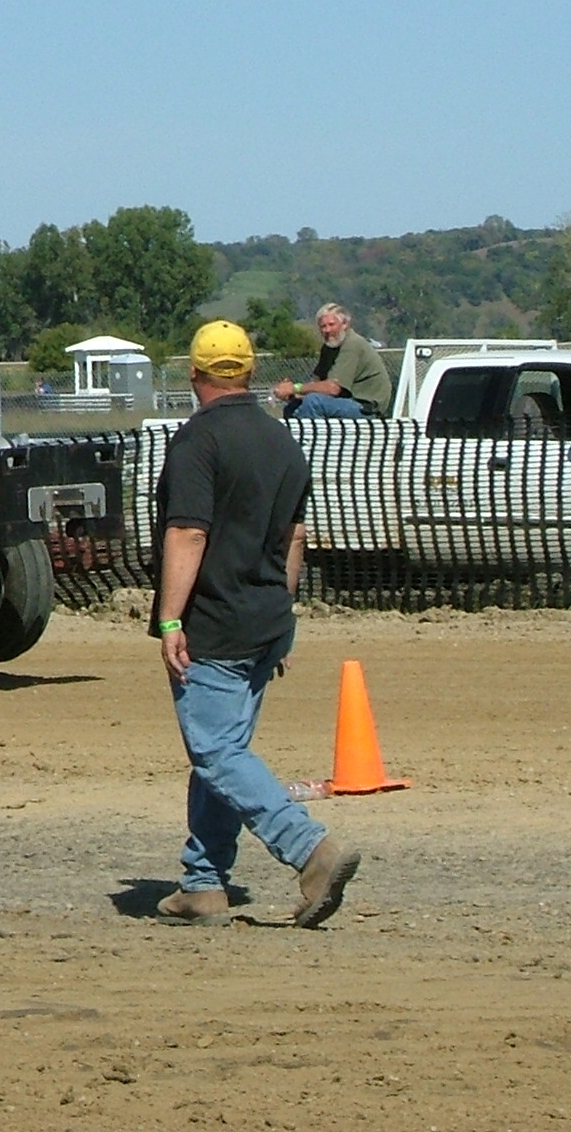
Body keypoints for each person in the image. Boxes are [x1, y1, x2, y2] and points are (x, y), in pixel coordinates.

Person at [152, 321, 361, 928]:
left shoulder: (197, 443)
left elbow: (189, 531)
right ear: (248, 372)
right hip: (267, 618)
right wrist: (282, 613)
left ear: (195, 375)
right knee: (226, 750)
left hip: (213, 623)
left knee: (215, 750)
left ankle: (310, 850)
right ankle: (204, 881)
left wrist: (169, 619)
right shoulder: (283, 441)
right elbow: (296, 536)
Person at [272, 303, 391, 418]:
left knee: (313, 402)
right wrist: (291, 394)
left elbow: (333, 388)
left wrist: (295, 388)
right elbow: (317, 383)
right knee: (292, 407)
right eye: (323, 326)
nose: (327, 330)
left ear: (345, 324)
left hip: (366, 406)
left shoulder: (352, 344)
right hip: (343, 401)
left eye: (331, 324)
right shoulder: (329, 346)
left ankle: (316, 438)